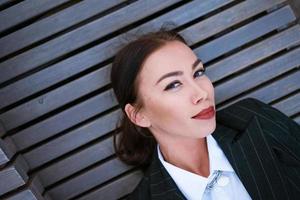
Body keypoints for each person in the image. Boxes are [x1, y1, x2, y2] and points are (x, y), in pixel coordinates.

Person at [110, 29, 300, 200]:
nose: (202, 93)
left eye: (198, 73)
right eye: (173, 84)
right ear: (138, 116)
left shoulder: (255, 120)